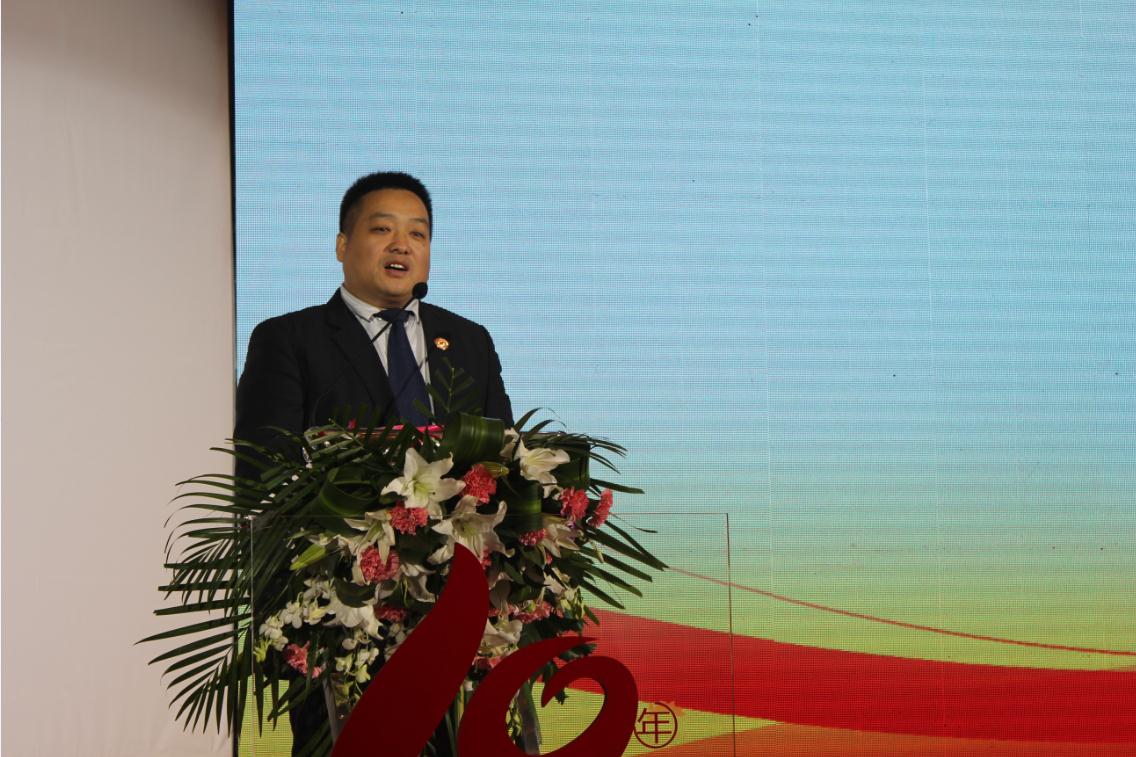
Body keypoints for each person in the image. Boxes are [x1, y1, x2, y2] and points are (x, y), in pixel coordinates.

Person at [234, 171, 513, 755]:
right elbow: (262, 472)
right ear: (343, 245)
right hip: (344, 615)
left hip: (461, 610)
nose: (402, 245)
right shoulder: (290, 340)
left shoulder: (468, 341)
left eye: (418, 233)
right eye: (382, 229)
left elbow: (501, 461)